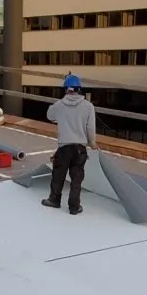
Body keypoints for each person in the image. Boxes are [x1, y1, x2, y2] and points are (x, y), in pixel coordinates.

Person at [43, 73, 96, 215]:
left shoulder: (59, 105)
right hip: (80, 148)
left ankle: (54, 200)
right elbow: (90, 128)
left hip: (64, 148)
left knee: (58, 175)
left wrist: (60, 107)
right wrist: (92, 143)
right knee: (77, 178)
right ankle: (74, 207)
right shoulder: (88, 106)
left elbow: (49, 115)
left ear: (66, 89)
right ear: (80, 89)